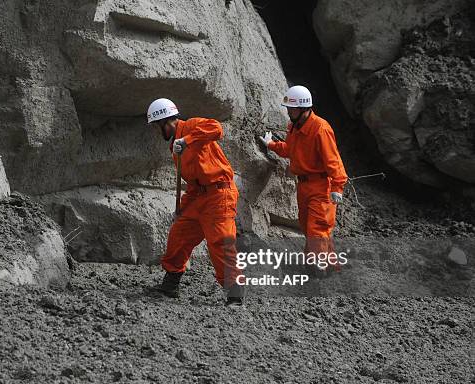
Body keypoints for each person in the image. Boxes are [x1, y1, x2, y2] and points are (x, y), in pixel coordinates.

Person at [146, 98, 244, 306]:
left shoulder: (190, 127)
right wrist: (182, 209)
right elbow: (192, 183)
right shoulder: (176, 146)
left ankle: (235, 293)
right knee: (178, 235)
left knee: (220, 241)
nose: (156, 130)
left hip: (220, 194)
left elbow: (217, 128)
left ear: (165, 121)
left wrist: (188, 139)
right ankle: (171, 284)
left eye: (156, 126)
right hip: (199, 197)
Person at [259, 85, 347, 273]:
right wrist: (272, 145)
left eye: (291, 109)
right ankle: (331, 267)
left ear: (303, 108)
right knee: (310, 228)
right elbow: (290, 150)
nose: (288, 112)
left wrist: (337, 187)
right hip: (304, 186)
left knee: (317, 228)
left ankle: (317, 269)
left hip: (322, 186)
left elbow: (334, 160)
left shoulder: (320, 129)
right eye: (288, 109)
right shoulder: (294, 127)